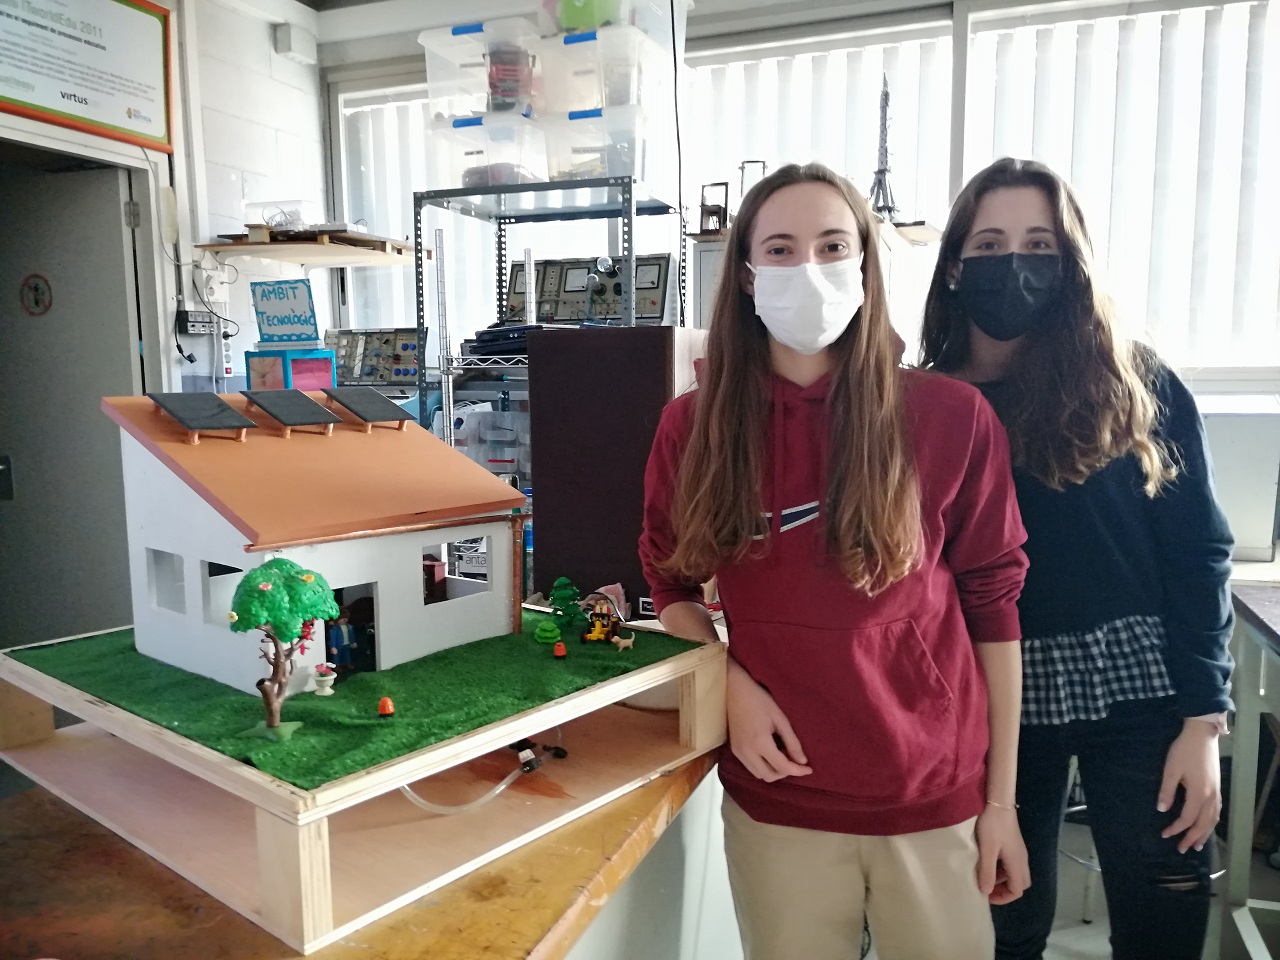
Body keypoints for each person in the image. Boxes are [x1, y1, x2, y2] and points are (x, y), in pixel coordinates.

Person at [639, 162, 1031, 960]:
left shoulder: (951, 417)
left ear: (864, 262)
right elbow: (669, 583)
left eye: (831, 246)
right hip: (780, 800)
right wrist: (727, 684)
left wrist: (1002, 805)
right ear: (745, 275)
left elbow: (995, 612)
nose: (808, 268)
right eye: (780, 250)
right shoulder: (693, 428)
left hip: (933, 799)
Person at [919, 157, 1234, 960]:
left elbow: (1197, 550)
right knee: (1005, 924)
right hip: (991, 697)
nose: (1014, 264)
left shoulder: (1136, 381)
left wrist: (1204, 721)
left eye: (1039, 246)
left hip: (1142, 693)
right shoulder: (924, 405)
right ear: (954, 266)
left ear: (1071, 264)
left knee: (1164, 908)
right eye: (990, 244)